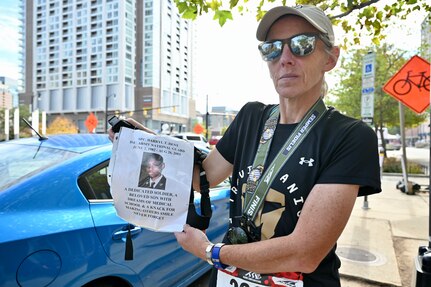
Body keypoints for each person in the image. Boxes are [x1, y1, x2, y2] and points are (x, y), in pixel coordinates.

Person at [109, 4, 381, 286]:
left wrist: (209, 251)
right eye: (273, 48)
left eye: (302, 45)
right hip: (231, 278)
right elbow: (201, 178)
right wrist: (138, 141)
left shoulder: (350, 136)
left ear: (330, 58)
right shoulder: (251, 117)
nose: (285, 58)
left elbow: (305, 253)